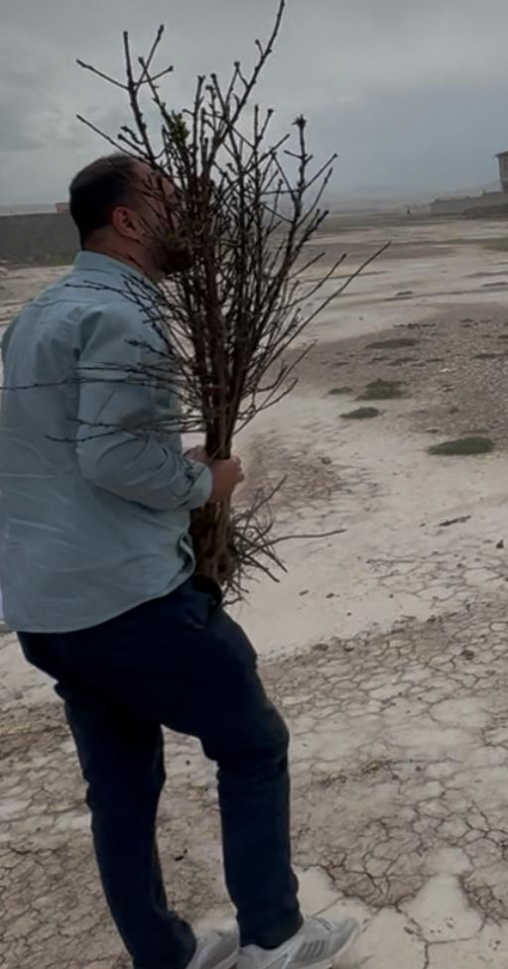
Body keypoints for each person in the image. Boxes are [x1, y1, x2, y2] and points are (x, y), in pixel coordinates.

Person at [0, 155, 358, 969]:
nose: (186, 216)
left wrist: (166, 453)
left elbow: (69, 446)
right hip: (127, 600)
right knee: (253, 741)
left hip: (46, 604)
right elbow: (111, 459)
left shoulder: (39, 313)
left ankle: (167, 956)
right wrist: (205, 479)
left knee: (121, 789)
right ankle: (275, 939)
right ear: (126, 222)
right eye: (167, 201)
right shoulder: (123, 316)